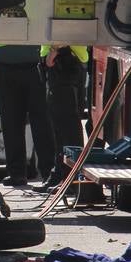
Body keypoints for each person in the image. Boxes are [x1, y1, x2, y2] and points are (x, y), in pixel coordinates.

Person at [0, 44, 56, 186]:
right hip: (4, 65)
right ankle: (17, 173)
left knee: (41, 123)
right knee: (11, 121)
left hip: (33, 66)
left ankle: (48, 172)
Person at [40, 44, 89, 191]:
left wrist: (56, 51)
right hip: (58, 62)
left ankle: (71, 179)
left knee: (68, 129)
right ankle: (60, 174)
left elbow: (66, 29)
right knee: (59, 129)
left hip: (66, 61)